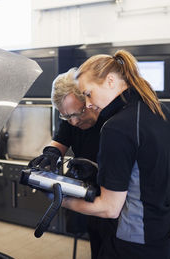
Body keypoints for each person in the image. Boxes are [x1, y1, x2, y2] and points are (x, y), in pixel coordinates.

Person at [62, 50, 170, 259]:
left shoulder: (116, 127)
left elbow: (109, 209)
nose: (87, 103)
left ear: (110, 80)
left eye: (88, 93)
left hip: (133, 241)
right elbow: (145, 173)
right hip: (164, 232)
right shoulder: (160, 110)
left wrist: (62, 200)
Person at [29, 68, 117, 259]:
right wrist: (50, 155)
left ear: (89, 99)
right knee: (98, 245)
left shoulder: (113, 121)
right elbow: (58, 144)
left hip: (117, 197)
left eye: (78, 113)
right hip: (91, 196)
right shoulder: (71, 119)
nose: (74, 122)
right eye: (67, 116)